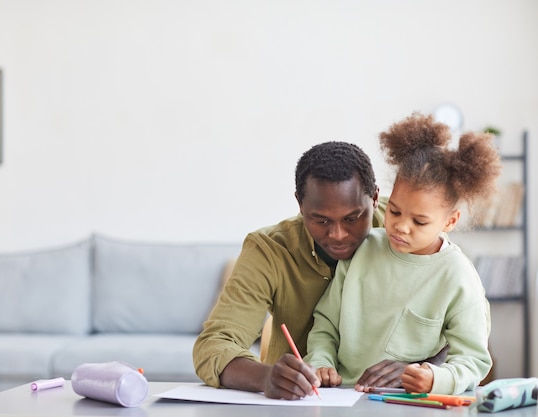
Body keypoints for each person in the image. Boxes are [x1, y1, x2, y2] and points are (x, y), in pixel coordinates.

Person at [194, 141, 444, 400]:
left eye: (352, 218)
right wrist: (266, 377)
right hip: (299, 403)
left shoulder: (406, 226)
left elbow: (461, 324)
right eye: (321, 220)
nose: (338, 235)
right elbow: (214, 346)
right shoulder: (269, 250)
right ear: (300, 205)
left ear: (375, 198)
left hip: (390, 400)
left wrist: (420, 370)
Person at [304, 113, 500, 395]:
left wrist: (436, 379)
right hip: (341, 396)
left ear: (450, 221)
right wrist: (321, 362)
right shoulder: (363, 250)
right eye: (394, 210)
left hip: (405, 402)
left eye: (419, 221)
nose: (401, 227)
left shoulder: (458, 276)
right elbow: (326, 324)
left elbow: (473, 360)